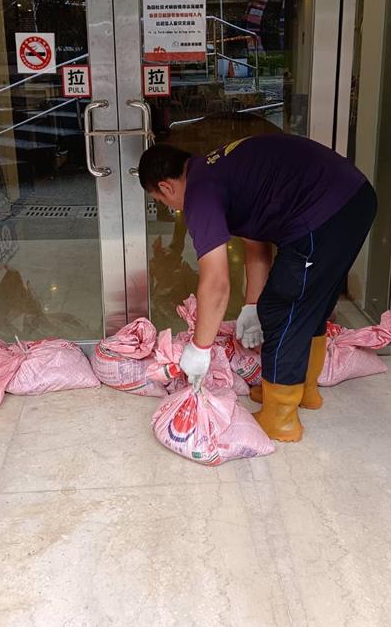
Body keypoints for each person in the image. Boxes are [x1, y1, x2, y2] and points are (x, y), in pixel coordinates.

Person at [138, 134, 377, 443]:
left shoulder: (200, 193)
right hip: (352, 200)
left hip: (325, 212)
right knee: (310, 304)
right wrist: (251, 305)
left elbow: (216, 282)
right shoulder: (219, 170)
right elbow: (256, 242)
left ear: (166, 186)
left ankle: (280, 417)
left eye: (162, 201)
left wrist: (199, 348)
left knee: (282, 307)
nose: (170, 208)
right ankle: (302, 390)